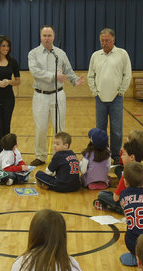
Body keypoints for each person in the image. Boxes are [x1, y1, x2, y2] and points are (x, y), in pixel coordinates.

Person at [27, 25, 85, 166]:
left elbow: (68, 71)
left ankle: (59, 156)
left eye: (49, 35)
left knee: (60, 128)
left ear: (54, 37)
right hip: (40, 96)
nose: (47, 38)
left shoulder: (60, 53)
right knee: (41, 128)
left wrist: (74, 80)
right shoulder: (33, 53)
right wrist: (54, 76)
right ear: (40, 36)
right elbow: (35, 72)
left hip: (58, 95)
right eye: (44, 35)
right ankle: (40, 156)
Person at [87, 28, 132, 163]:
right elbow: (90, 76)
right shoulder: (95, 55)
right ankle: (101, 154)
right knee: (100, 129)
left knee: (116, 130)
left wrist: (121, 91)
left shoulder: (122, 54)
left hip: (116, 98)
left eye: (107, 40)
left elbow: (127, 74)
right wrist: (95, 92)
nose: (104, 43)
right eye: (102, 40)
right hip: (100, 98)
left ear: (113, 40)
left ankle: (116, 156)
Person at [93, 139, 143, 213]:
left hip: (132, 207)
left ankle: (108, 206)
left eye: (124, 154)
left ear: (132, 157)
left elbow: (116, 198)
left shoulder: (127, 172)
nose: (121, 157)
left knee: (102, 195)